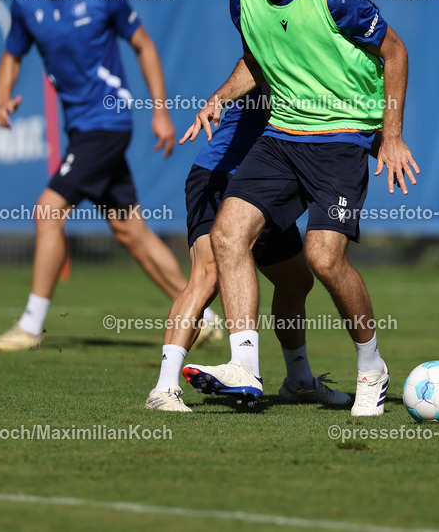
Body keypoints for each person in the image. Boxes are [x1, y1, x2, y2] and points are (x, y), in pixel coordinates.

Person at [180, 0, 418, 416]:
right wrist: (220, 97)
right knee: (226, 234)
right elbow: (258, 59)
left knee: (323, 260)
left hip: (340, 140)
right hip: (283, 136)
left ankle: (372, 367)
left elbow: (395, 51)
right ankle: (244, 366)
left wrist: (392, 135)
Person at [0, 0, 211, 350]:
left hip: (108, 122)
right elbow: (12, 55)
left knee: (47, 210)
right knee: (130, 231)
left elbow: (144, 46)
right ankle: (203, 315)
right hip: (82, 129)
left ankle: (30, 327)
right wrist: (2, 97)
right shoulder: (26, 1)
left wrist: (160, 112)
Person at [145, 80, 349, 411]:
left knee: (296, 281)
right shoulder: (276, 53)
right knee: (208, 274)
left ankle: (299, 381)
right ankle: (164, 388)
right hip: (220, 175)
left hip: (266, 185)